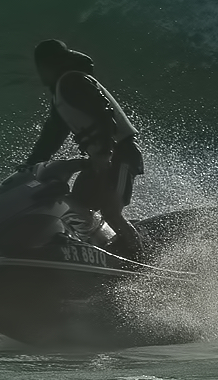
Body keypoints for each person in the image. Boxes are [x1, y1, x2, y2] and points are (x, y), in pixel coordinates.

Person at [23, 39, 146, 260]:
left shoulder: (74, 81)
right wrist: (29, 165)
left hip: (121, 154)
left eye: (42, 66)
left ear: (50, 64)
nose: (40, 73)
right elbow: (51, 138)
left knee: (110, 211)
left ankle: (138, 261)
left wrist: (106, 153)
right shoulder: (61, 90)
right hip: (103, 158)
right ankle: (97, 251)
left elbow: (103, 114)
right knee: (78, 204)